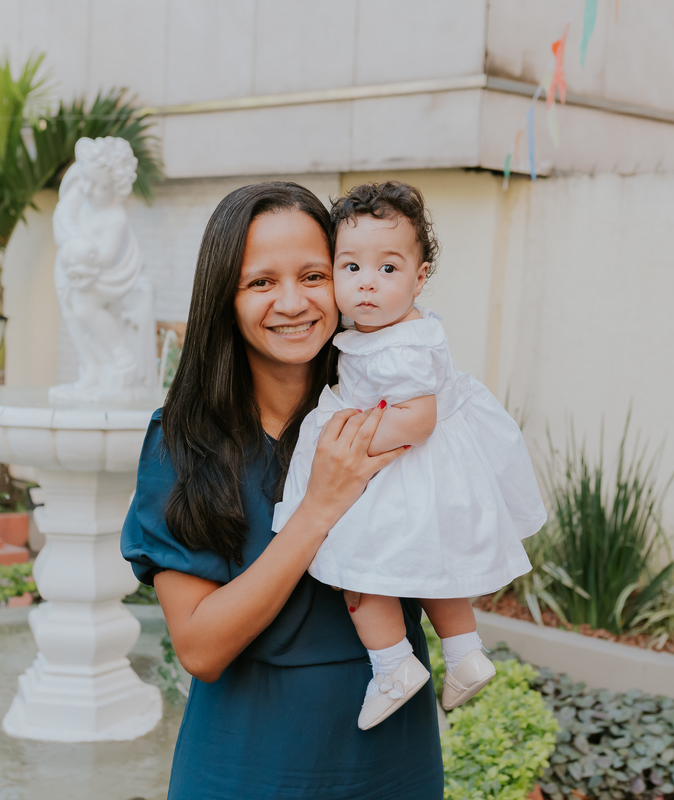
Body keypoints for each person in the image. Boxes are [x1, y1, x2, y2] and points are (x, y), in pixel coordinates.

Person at [121, 181, 444, 799]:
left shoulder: (391, 413)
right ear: (225, 298)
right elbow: (199, 649)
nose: (293, 302)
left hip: (391, 756)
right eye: (261, 282)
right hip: (247, 761)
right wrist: (318, 508)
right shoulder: (183, 441)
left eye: (314, 275)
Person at [273, 181, 547, 730]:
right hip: (433, 473)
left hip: (402, 464)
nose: (367, 284)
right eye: (350, 268)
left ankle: (394, 665)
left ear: (420, 278)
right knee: (430, 572)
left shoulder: (397, 345)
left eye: (388, 269)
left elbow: (417, 421)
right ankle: (465, 651)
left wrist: (349, 443)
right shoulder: (399, 330)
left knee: (355, 569)